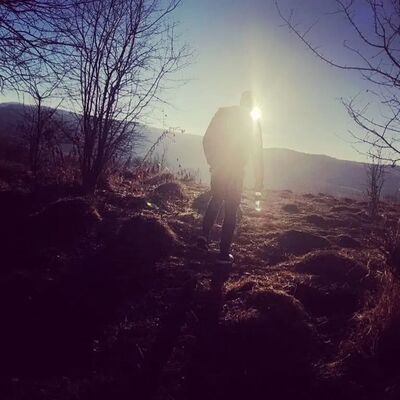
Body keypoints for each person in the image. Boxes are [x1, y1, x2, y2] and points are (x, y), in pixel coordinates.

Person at [197, 91, 264, 264]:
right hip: (236, 171)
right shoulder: (253, 123)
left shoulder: (222, 113)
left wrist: (213, 163)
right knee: (231, 210)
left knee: (216, 198)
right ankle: (223, 254)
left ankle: (203, 237)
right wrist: (259, 181)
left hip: (219, 168)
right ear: (253, 105)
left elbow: (206, 139)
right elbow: (257, 154)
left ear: (241, 101)